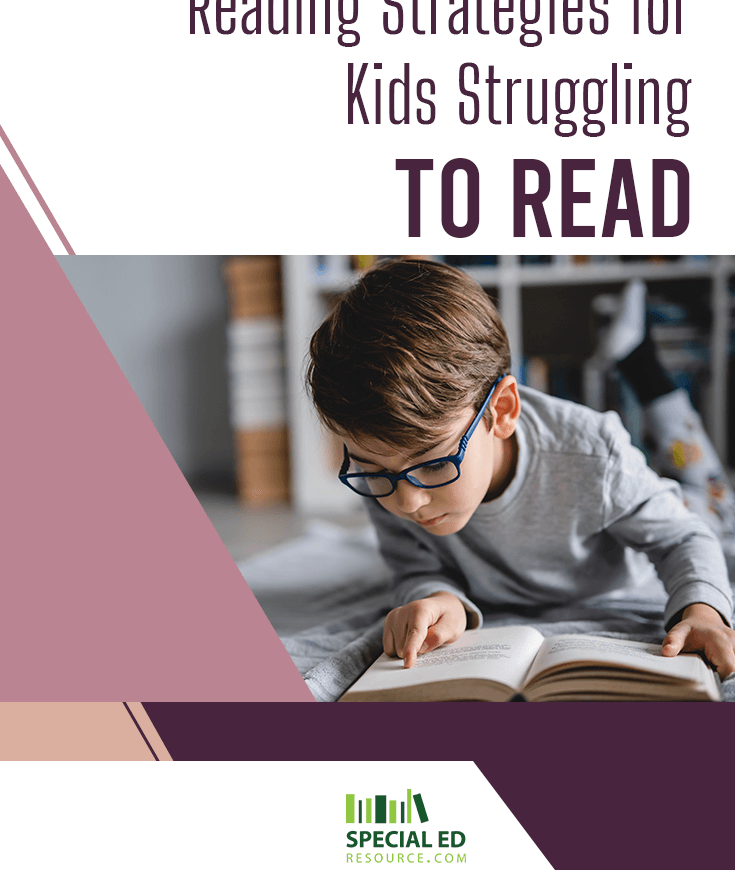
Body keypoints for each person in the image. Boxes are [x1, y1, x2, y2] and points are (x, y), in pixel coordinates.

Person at [305, 259, 735, 677]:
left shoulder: (592, 456)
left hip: (690, 508)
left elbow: (682, 537)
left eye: (433, 464)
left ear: (503, 411)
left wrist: (702, 611)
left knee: (706, 486)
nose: (407, 500)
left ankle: (642, 367)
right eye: (374, 470)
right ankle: (636, 360)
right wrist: (438, 598)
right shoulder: (389, 476)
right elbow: (415, 565)